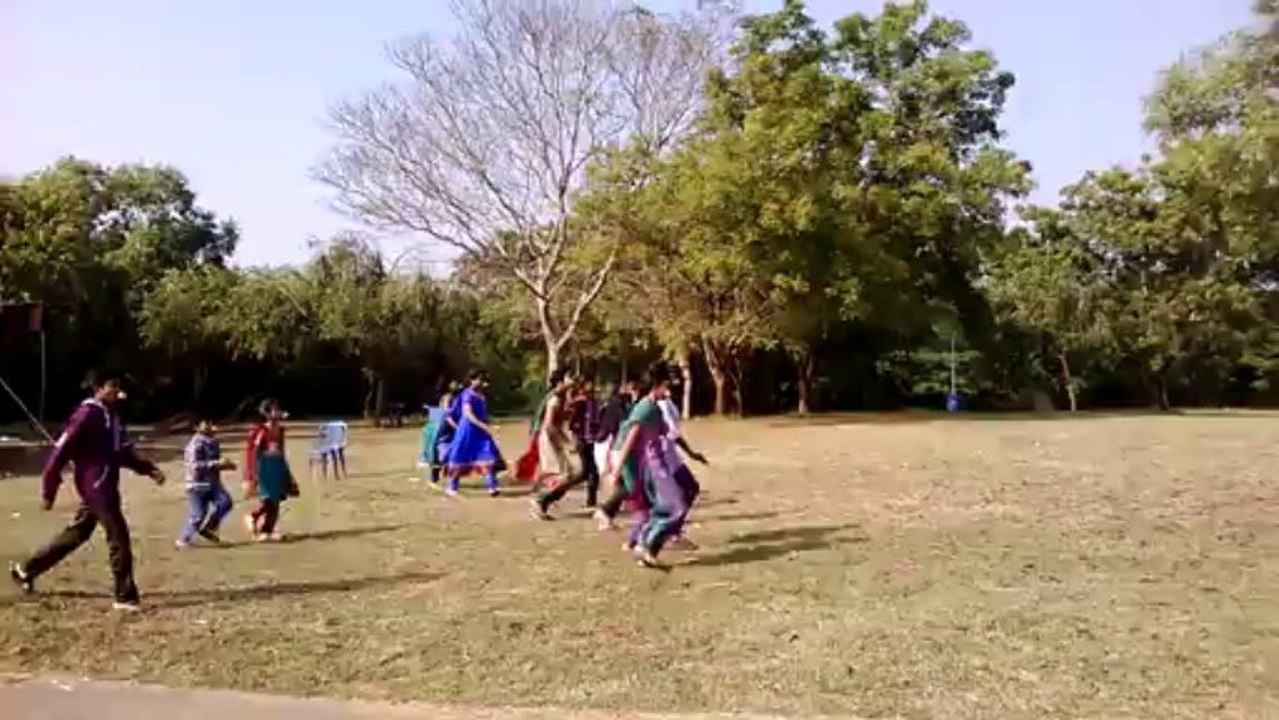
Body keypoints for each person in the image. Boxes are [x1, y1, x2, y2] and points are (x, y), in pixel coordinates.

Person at [8, 371, 166, 611]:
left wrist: (149, 469)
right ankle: (124, 596)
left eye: (118, 386)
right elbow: (60, 451)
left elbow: (122, 452)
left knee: (78, 533)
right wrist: (49, 489)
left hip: (106, 484)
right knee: (118, 536)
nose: (116, 390)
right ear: (98, 388)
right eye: (112, 386)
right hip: (96, 486)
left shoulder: (113, 416)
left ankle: (26, 570)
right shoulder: (87, 414)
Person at [606, 361, 686, 569]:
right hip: (635, 462)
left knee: (657, 506)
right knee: (667, 506)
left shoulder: (655, 408)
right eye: (668, 386)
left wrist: (690, 453)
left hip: (647, 461)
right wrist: (616, 471)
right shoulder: (645, 408)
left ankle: (642, 545)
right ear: (660, 384)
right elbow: (629, 440)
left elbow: (669, 434)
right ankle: (643, 545)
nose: (670, 391)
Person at [657, 383, 709, 550]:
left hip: (670, 454)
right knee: (684, 492)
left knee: (687, 490)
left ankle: (671, 531)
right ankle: (668, 533)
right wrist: (691, 453)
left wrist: (691, 453)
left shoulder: (667, 402)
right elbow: (673, 433)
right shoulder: (661, 404)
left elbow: (674, 434)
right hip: (664, 456)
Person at [529, 369, 585, 519]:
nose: (573, 380)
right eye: (569, 377)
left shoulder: (562, 397)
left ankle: (543, 500)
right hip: (550, 438)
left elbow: (561, 419)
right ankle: (540, 499)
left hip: (555, 436)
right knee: (566, 474)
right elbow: (549, 425)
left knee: (574, 473)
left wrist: (572, 407)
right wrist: (564, 443)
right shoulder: (555, 399)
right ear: (560, 382)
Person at [442, 370, 503, 497]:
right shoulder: (467, 395)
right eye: (479, 379)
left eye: (483, 379)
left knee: (488, 454)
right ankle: (452, 486)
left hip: (481, 431)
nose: (481, 382)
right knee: (460, 456)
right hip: (468, 430)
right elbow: (468, 414)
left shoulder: (481, 395)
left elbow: (483, 414)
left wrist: (490, 424)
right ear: (472, 380)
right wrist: (484, 426)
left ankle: (492, 486)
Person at [176, 419, 236, 548]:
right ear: (197, 427)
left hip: (213, 483)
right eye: (206, 423)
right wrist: (217, 463)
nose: (210, 426)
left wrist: (227, 465)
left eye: (210, 423)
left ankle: (209, 528)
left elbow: (215, 462)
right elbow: (195, 466)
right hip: (197, 485)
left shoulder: (213, 442)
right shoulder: (195, 444)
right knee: (198, 515)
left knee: (226, 502)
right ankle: (184, 539)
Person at [243, 399, 297, 541]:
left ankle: (266, 530)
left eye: (278, 409)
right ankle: (255, 518)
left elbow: (282, 452)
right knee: (269, 499)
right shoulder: (261, 430)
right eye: (275, 409)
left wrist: (287, 473)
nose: (278, 411)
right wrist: (253, 475)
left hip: (277, 466)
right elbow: (254, 453)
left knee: (276, 501)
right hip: (264, 466)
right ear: (267, 413)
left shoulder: (281, 430)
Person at [592, 379, 638, 531]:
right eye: (631, 387)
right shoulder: (619, 405)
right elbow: (618, 430)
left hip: (612, 446)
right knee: (628, 486)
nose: (633, 390)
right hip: (613, 446)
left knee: (622, 486)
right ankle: (605, 511)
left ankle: (606, 518)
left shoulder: (619, 404)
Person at [570, 378, 602, 507]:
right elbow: (573, 424)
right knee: (586, 472)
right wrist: (576, 439)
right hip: (583, 440)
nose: (592, 387)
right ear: (582, 388)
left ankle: (591, 500)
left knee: (592, 472)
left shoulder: (594, 402)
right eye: (589, 385)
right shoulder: (580, 403)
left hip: (591, 440)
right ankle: (559, 488)